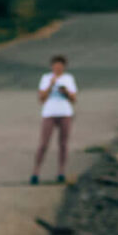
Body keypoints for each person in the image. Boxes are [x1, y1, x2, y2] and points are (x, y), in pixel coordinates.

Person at [33, 54, 76, 184]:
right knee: (43, 144)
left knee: (63, 144)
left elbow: (74, 99)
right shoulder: (46, 78)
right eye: (55, 66)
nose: (57, 68)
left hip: (65, 112)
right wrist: (51, 85)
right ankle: (36, 171)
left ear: (64, 67)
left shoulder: (68, 79)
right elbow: (41, 98)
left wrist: (66, 92)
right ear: (52, 66)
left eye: (60, 66)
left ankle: (61, 172)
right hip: (49, 113)